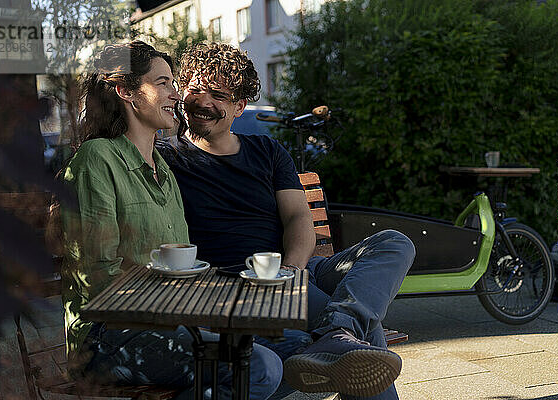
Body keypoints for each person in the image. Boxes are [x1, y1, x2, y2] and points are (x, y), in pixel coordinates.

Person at [158, 42, 416, 400]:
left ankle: (338, 329)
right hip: (235, 283)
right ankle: (341, 333)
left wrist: (290, 273)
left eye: (218, 94)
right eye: (196, 88)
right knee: (362, 341)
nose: (203, 101)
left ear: (239, 106)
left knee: (394, 243)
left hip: (294, 271)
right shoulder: (166, 159)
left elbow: (298, 217)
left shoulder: (267, 152)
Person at [59, 40, 283, 399]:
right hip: (107, 338)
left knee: (285, 347)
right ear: (126, 91)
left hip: (168, 324)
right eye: (163, 83)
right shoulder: (97, 159)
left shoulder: (162, 168)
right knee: (257, 366)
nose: (176, 95)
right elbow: (98, 280)